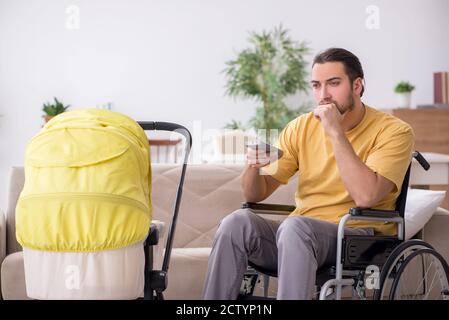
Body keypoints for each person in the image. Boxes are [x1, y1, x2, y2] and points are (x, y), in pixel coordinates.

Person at [202, 47, 414, 300]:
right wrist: (253, 164)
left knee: (295, 227)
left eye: (333, 84)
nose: (323, 95)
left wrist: (335, 131)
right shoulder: (300, 127)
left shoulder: (393, 131)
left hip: (357, 238)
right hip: (297, 238)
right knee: (236, 223)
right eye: (316, 85)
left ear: (357, 86)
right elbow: (254, 194)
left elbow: (366, 197)